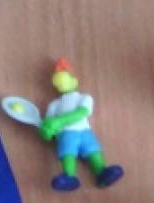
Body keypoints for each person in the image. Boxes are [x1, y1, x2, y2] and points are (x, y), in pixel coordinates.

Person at [38, 58, 124, 191]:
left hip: (84, 131)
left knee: (92, 150)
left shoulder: (84, 98)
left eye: (64, 80)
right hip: (66, 134)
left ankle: (101, 171)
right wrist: (46, 132)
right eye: (58, 83)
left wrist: (58, 121)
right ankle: (68, 176)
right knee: (68, 153)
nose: (61, 85)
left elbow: (82, 112)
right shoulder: (54, 105)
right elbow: (48, 125)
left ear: (74, 81)